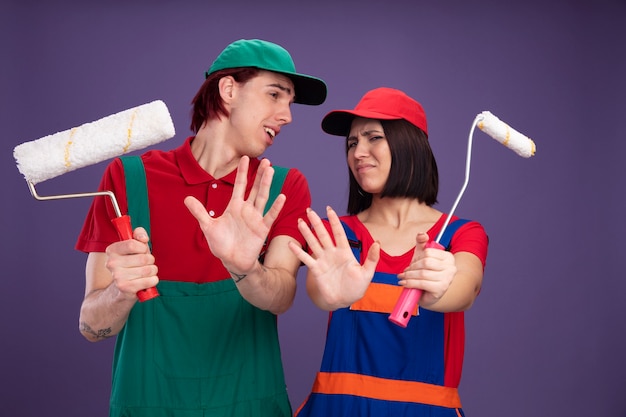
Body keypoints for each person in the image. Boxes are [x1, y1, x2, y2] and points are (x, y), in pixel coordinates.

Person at [75, 39, 327, 417]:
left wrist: (246, 268)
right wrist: (121, 291)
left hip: (251, 406)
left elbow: (281, 297)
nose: (287, 115)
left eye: (289, 103)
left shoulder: (281, 187)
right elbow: (91, 325)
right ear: (228, 90)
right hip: (147, 406)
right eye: (275, 95)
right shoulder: (128, 179)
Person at [288, 87, 488, 417]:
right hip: (335, 409)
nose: (357, 152)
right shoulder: (337, 234)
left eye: (373, 138)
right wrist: (330, 294)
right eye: (352, 143)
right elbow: (321, 293)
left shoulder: (460, 234)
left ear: (409, 144)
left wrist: (439, 286)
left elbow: (464, 289)